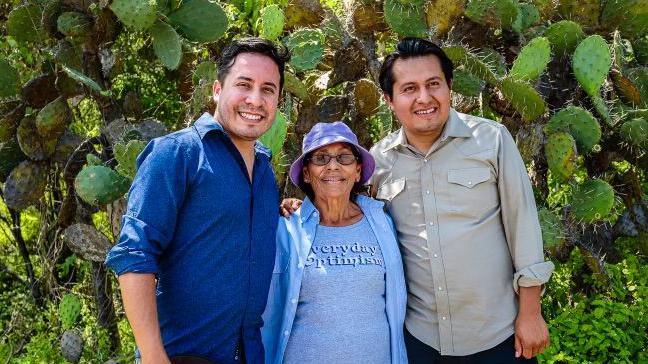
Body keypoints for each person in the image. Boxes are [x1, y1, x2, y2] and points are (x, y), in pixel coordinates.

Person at [281, 37, 554, 363]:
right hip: (421, 340)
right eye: (409, 88)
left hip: (498, 334)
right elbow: (348, 205)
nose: (424, 98)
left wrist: (531, 312)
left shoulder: (492, 140)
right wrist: (303, 209)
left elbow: (523, 225)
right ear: (389, 99)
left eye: (433, 84)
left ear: (449, 87)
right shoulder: (380, 160)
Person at [105, 37, 290, 364]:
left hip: (250, 354)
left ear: (278, 100)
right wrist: (152, 356)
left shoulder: (264, 170)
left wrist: (284, 211)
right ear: (218, 90)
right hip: (181, 355)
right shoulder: (176, 154)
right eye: (244, 85)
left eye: (268, 89)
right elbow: (134, 253)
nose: (255, 99)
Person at [262, 122, 408, 364]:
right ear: (307, 173)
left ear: (358, 171)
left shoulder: (383, 222)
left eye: (344, 157)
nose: (333, 165)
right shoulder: (286, 229)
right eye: (320, 158)